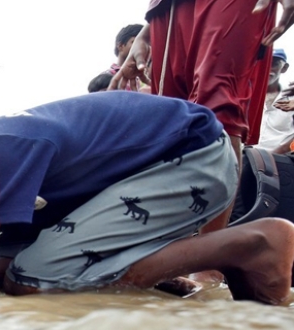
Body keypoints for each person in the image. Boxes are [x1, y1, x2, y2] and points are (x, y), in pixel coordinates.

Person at [0, 82, 294, 309]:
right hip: (151, 174)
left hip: (192, 159)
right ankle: (145, 267)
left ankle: (254, 243)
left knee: (32, 277)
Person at [110, 0, 294, 231]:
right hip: (168, 6)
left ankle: (209, 251)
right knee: (172, 122)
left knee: (220, 107)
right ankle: (172, 245)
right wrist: (146, 33)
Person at [259, 49, 294, 152]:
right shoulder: (245, 97)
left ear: (284, 68)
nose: (267, 69)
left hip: (281, 161)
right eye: (263, 63)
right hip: (244, 158)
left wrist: (277, 154)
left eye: (274, 64)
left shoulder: (292, 99)